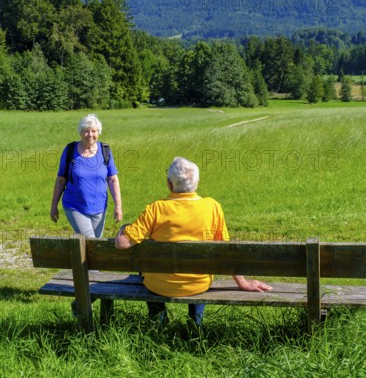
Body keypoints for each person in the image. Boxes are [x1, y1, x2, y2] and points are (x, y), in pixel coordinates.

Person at [115, 156, 271, 325]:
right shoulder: (212, 207)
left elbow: (122, 243)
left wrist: (124, 228)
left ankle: (158, 321)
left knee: (144, 268)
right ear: (197, 183)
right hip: (198, 285)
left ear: (169, 184)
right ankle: (195, 324)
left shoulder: (156, 209)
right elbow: (224, 251)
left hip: (159, 286)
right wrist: (243, 282)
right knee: (201, 265)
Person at [50, 113, 122, 238]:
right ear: (80, 132)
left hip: (99, 207)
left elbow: (112, 179)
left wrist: (118, 206)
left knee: (94, 245)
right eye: (86, 131)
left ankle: (76, 257)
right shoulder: (70, 150)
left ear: (98, 132)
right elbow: (61, 180)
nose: (90, 135)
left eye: (93, 131)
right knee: (90, 241)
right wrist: (53, 206)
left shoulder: (105, 151)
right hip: (75, 206)